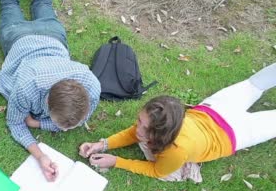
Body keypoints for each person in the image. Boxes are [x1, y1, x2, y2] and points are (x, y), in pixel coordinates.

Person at [0, 0, 101, 181]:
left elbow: (77, 120)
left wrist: (38, 124)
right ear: (46, 101)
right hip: (19, 39)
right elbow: (15, 124)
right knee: (10, 3)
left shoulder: (92, 86)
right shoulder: (26, 88)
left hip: (52, 36)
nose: (66, 130)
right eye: (62, 125)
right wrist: (39, 155)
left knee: (43, 1)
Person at [79, 63, 276, 181]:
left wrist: (117, 162)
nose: (137, 129)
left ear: (162, 135)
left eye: (145, 129)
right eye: (139, 120)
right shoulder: (158, 123)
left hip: (234, 135)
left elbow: (157, 171)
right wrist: (102, 144)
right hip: (214, 109)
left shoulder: (175, 150)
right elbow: (133, 133)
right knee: (254, 83)